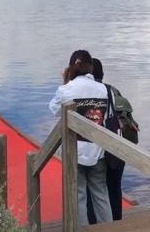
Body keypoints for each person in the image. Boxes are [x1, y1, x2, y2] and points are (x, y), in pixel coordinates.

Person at [49, 50, 113, 226]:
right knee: (101, 194)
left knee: (78, 195)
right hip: (98, 149)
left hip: (74, 149)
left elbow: (54, 110)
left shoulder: (66, 89)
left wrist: (65, 81)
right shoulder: (102, 89)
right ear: (91, 67)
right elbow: (105, 117)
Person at [86, 58, 137, 223]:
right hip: (118, 147)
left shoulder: (86, 93)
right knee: (114, 188)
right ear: (103, 74)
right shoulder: (113, 90)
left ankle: (93, 225)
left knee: (92, 189)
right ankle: (117, 223)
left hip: (97, 150)